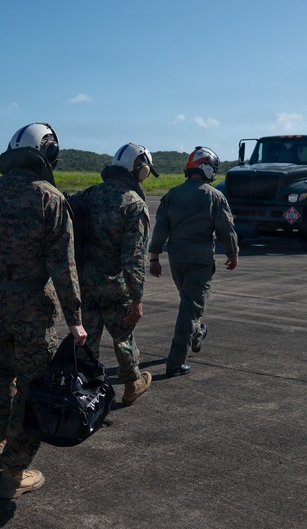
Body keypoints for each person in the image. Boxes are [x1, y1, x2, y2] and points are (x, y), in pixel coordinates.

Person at [0, 122, 86, 499]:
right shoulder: (50, 198)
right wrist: (75, 319)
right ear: (49, 154)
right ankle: (14, 471)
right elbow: (64, 266)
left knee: (5, 371)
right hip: (32, 308)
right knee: (34, 384)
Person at [75, 143, 155, 406]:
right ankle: (132, 384)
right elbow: (134, 258)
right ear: (140, 170)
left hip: (84, 282)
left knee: (86, 341)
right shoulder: (134, 205)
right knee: (123, 336)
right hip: (114, 286)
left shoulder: (89, 194)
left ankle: (85, 393)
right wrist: (137, 298)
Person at [148, 146, 239, 378]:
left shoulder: (172, 195)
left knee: (189, 307)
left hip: (176, 259)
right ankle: (175, 363)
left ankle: (197, 333)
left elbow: (160, 228)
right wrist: (232, 253)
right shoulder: (214, 196)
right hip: (200, 260)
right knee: (189, 312)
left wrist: (154, 256)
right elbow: (225, 229)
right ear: (206, 168)